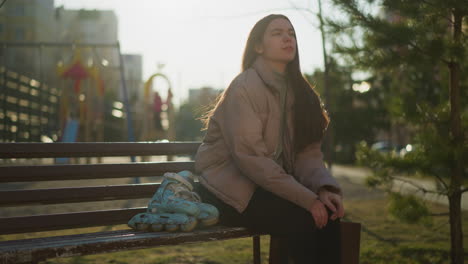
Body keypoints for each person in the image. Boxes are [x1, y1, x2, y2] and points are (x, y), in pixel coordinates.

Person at [194, 14, 344, 264]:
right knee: (303, 219)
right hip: (227, 189)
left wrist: (322, 189)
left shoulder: (302, 94)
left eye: (292, 33)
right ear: (258, 46)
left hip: (266, 186)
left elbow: (307, 155)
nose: (288, 38)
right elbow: (251, 159)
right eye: (277, 33)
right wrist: (307, 199)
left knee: (328, 215)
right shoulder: (243, 88)